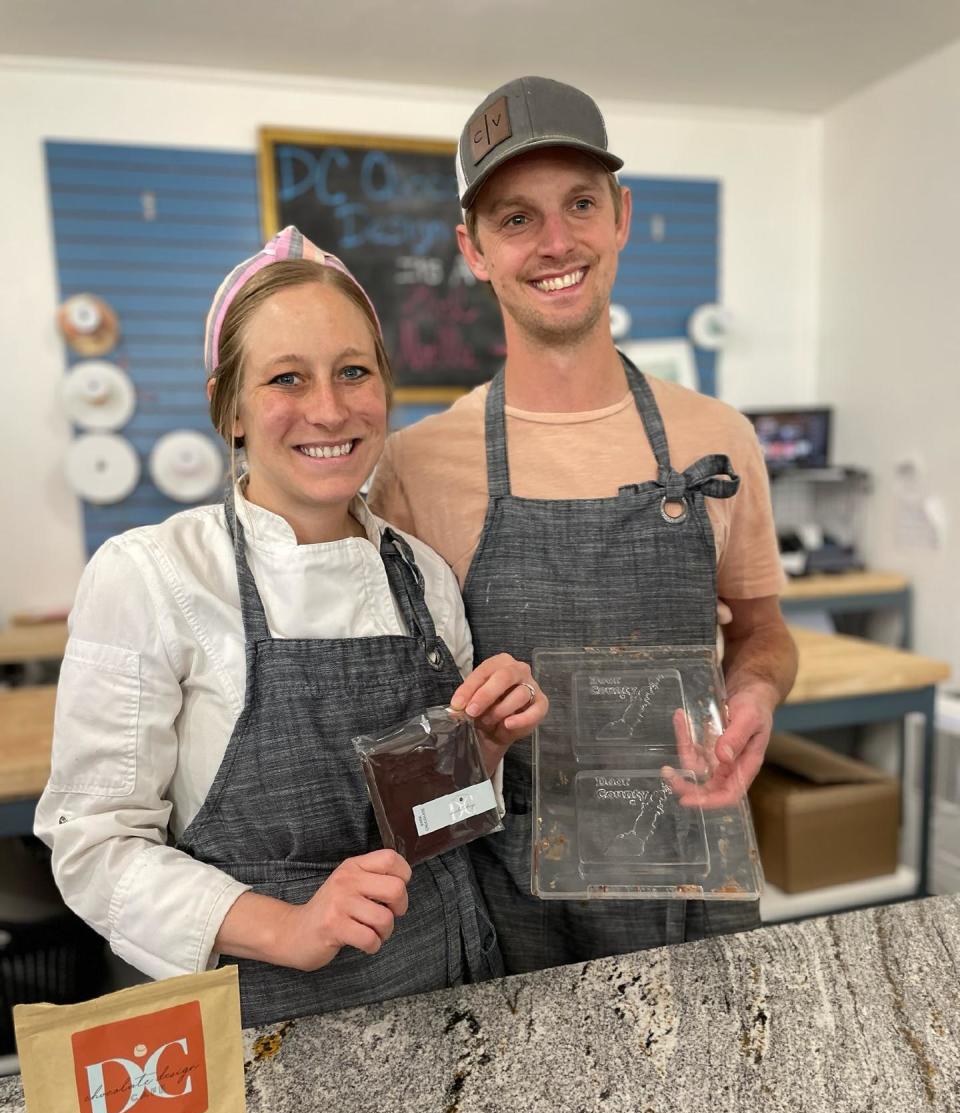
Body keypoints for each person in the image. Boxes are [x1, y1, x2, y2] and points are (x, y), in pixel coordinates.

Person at [36, 226, 547, 1027]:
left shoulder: (424, 575)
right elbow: (93, 846)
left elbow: (430, 824)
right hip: (262, 1032)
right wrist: (289, 926)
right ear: (231, 411)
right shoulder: (151, 575)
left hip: (449, 998)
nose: (329, 408)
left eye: (354, 371)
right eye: (286, 378)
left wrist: (482, 749)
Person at [369, 77, 798, 974]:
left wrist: (754, 695)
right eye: (516, 218)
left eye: (579, 205)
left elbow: (762, 632)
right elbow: (402, 723)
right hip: (505, 892)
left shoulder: (718, 438)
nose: (556, 241)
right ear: (474, 250)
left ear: (621, 216)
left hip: (693, 865)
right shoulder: (415, 466)